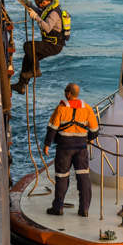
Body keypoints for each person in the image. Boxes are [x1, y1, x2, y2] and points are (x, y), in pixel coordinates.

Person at [43, 83, 99, 217]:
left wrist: (47, 144)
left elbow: (52, 128)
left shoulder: (61, 108)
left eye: (65, 91)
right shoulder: (87, 109)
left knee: (62, 177)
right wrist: (89, 139)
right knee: (83, 177)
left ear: (68, 94)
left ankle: (58, 208)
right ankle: (84, 209)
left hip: (64, 149)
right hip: (81, 149)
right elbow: (94, 130)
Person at [11, 0, 68, 95]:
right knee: (28, 58)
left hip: (53, 45)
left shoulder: (54, 13)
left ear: (45, 1)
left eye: (38, 3)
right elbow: (41, 12)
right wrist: (30, 5)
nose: (38, 6)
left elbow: (47, 27)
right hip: (50, 44)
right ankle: (21, 85)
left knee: (28, 46)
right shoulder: (49, 9)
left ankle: (35, 70)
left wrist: (36, 18)